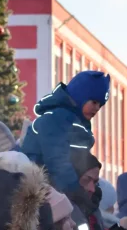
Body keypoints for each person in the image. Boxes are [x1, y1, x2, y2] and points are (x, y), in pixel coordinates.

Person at [20, 70, 110, 199]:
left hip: (58, 186)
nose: (96, 108)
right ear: (80, 96)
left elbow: (81, 162)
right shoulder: (56, 118)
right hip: (38, 186)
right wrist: (75, 190)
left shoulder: (79, 123)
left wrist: (92, 187)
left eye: (100, 105)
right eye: (94, 102)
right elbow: (57, 159)